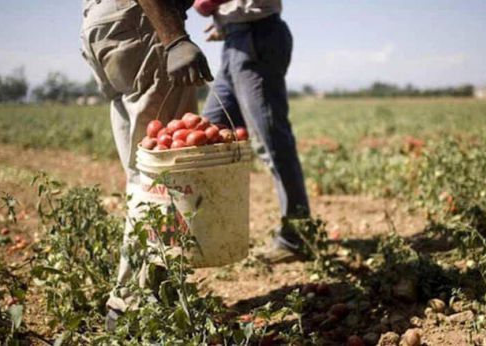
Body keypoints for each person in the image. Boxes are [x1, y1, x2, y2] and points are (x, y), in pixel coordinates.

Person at [79, 0, 213, 331]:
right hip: (142, 22)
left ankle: (151, 295)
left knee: (144, 174)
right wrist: (174, 37)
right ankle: (133, 306)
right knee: (164, 176)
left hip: (104, 25)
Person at [193, 0, 312, 262]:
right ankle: (213, 231)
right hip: (235, 40)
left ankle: (297, 236)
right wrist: (225, 22)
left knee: (271, 141)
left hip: (257, 36)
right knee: (209, 133)